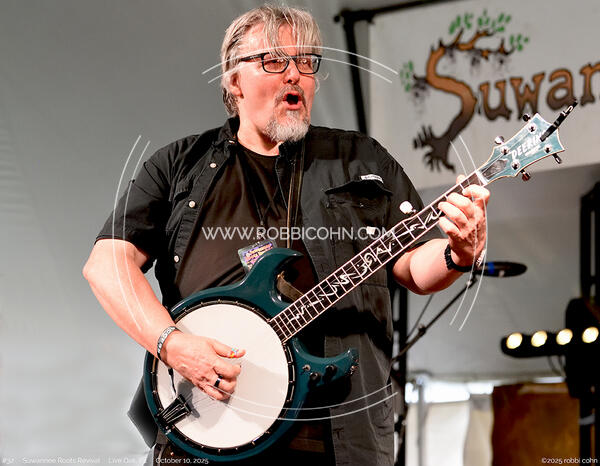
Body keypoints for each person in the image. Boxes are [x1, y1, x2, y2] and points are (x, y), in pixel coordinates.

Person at [83, 5, 489, 465]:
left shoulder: (361, 159)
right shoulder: (178, 166)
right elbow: (107, 265)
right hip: (205, 430)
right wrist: (172, 345)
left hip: (337, 439)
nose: (294, 74)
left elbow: (414, 265)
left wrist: (458, 252)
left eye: (306, 62)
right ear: (234, 81)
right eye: (274, 60)